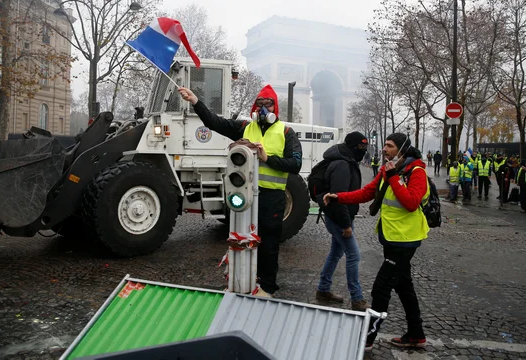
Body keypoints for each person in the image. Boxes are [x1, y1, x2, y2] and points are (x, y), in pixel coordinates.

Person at [178, 84, 302, 297]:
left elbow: (295, 165)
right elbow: (214, 123)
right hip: (245, 194)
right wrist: (195, 102)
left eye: (268, 104)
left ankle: (268, 287)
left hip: (272, 197)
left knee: (268, 245)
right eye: (260, 104)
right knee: (241, 237)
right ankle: (244, 279)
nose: (264, 109)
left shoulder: (286, 132)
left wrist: (267, 158)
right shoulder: (246, 126)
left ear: (275, 108)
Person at [323, 133, 429, 352]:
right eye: (385, 145)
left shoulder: (417, 172)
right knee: (403, 286)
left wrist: (393, 177)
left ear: (402, 149)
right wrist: (338, 197)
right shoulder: (387, 169)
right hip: (391, 237)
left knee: (381, 288)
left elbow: (410, 203)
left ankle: (367, 339)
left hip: (406, 240)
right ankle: (416, 335)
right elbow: (366, 193)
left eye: (389, 146)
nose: (384, 149)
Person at [315, 132, 369, 312]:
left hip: (338, 216)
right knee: (353, 255)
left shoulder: (346, 160)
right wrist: (346, 225)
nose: (364, 150)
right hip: (339, 218)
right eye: (361, 147)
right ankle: (357, 298)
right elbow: (338, 198)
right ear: (352, 146)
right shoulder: (342, 164)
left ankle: (323, 289)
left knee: (336, 253)